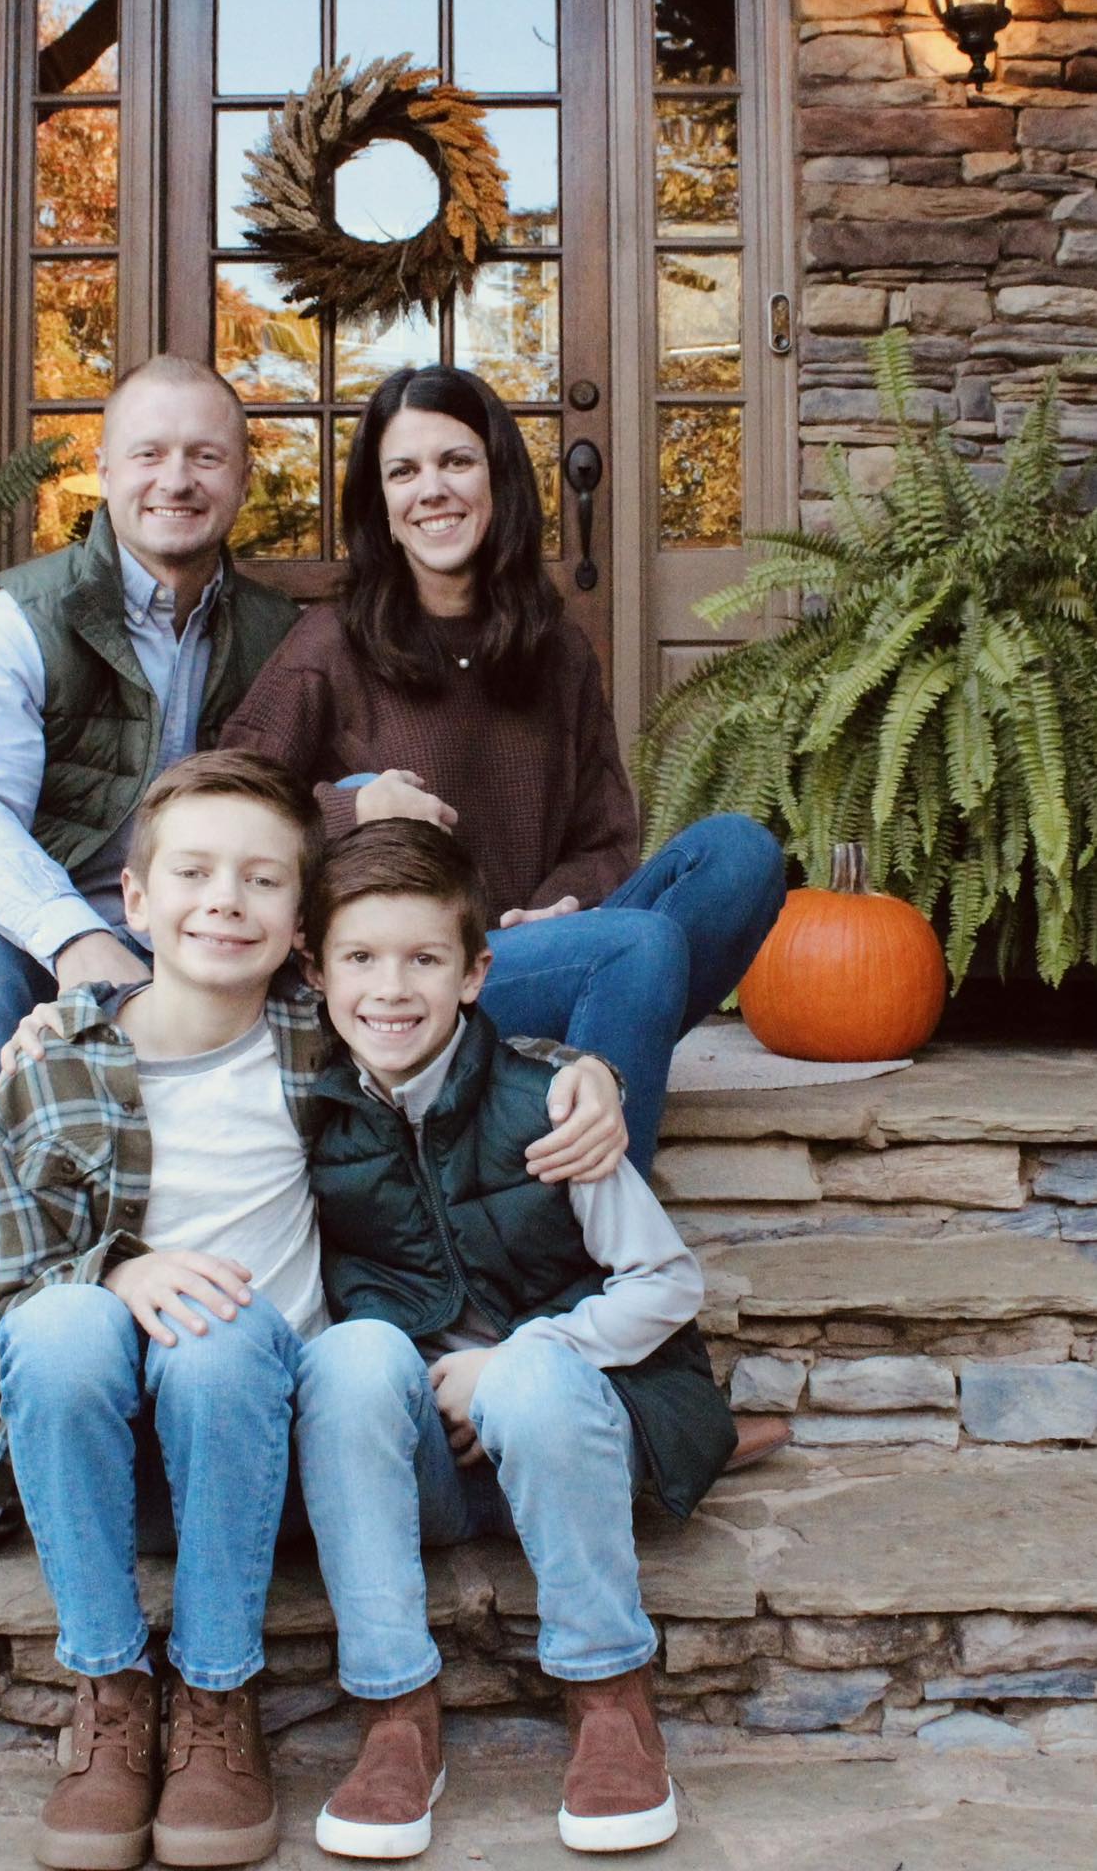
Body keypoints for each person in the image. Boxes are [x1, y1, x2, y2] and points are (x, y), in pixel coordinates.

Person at [0, 751, 629, 1871]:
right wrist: (117, 1273)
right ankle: (110, 1688)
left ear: (297, 921)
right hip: (124, 1473)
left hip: (275, 1453)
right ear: (137, 899)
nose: (224, 898)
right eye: (196, 872)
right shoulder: (51, 1070)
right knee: (60, 1323)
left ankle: (217, 1696)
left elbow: (446, 1046)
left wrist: (586, 1068)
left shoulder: (317, 1046)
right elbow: (11, 1304)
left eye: (262, 880)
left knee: (216, 1338)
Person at [219, 362, 788, 1467]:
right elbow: (230, 800)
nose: (430, 488)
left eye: (453, 461)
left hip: (528, 959)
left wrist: (560, 904)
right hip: (407, 979)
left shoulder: (552, 642)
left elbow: (608, 829)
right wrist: (348, 804)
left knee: (735, 855)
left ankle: (575, 1091)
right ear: (376, 501)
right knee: (642, 943)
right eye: (402, 470)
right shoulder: (330, 643)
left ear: (496, 478)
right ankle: (587, 1286)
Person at [0, 356, 303, 1545]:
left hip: (184, 928)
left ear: (241, 477)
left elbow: (299, 794)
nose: (175, 478)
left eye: (204, 453)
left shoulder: (275, 632)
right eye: (148, 452)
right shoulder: (15, 616)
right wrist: (82, 938)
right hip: (37, 919)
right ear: (100, 472)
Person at [295, 818, 734, 1859]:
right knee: (347, 1357)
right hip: (433, 1465)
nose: (390, 988)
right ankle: (396, 1712)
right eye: (360, 957)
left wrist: (507, 1366)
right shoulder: (309, 1129)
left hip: (575, 1434)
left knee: (533, 1368)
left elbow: (666, 1281)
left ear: (476, 970)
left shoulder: (553, 1104)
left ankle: (608, 1695)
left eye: (422, 958)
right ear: (315, 973)